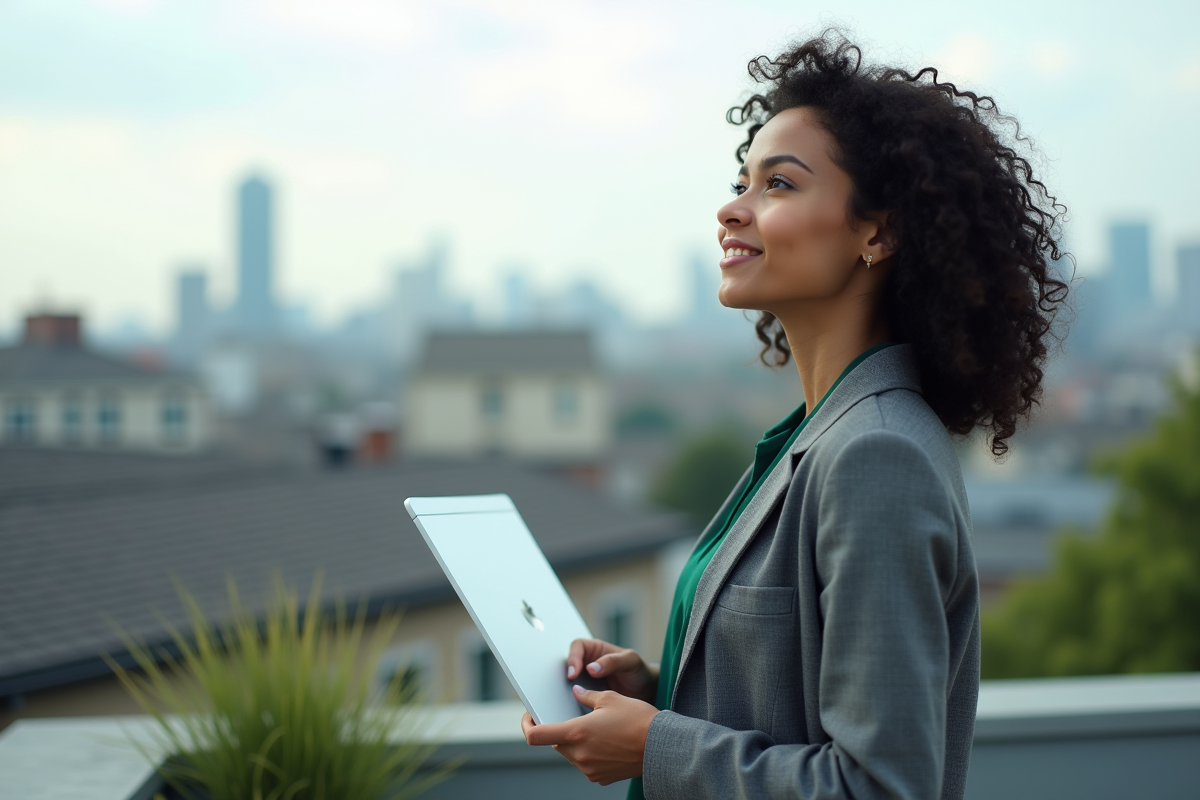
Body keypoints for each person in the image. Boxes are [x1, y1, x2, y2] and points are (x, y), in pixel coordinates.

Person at [521, 30, 1068, 800]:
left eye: (777, 184)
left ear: (877, 232)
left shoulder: (878, 457)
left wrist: (656, 747)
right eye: (743, 180)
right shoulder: (810, 440)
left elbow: (881, 786)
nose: (731, 208)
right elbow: (792, 704)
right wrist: (664, 687)